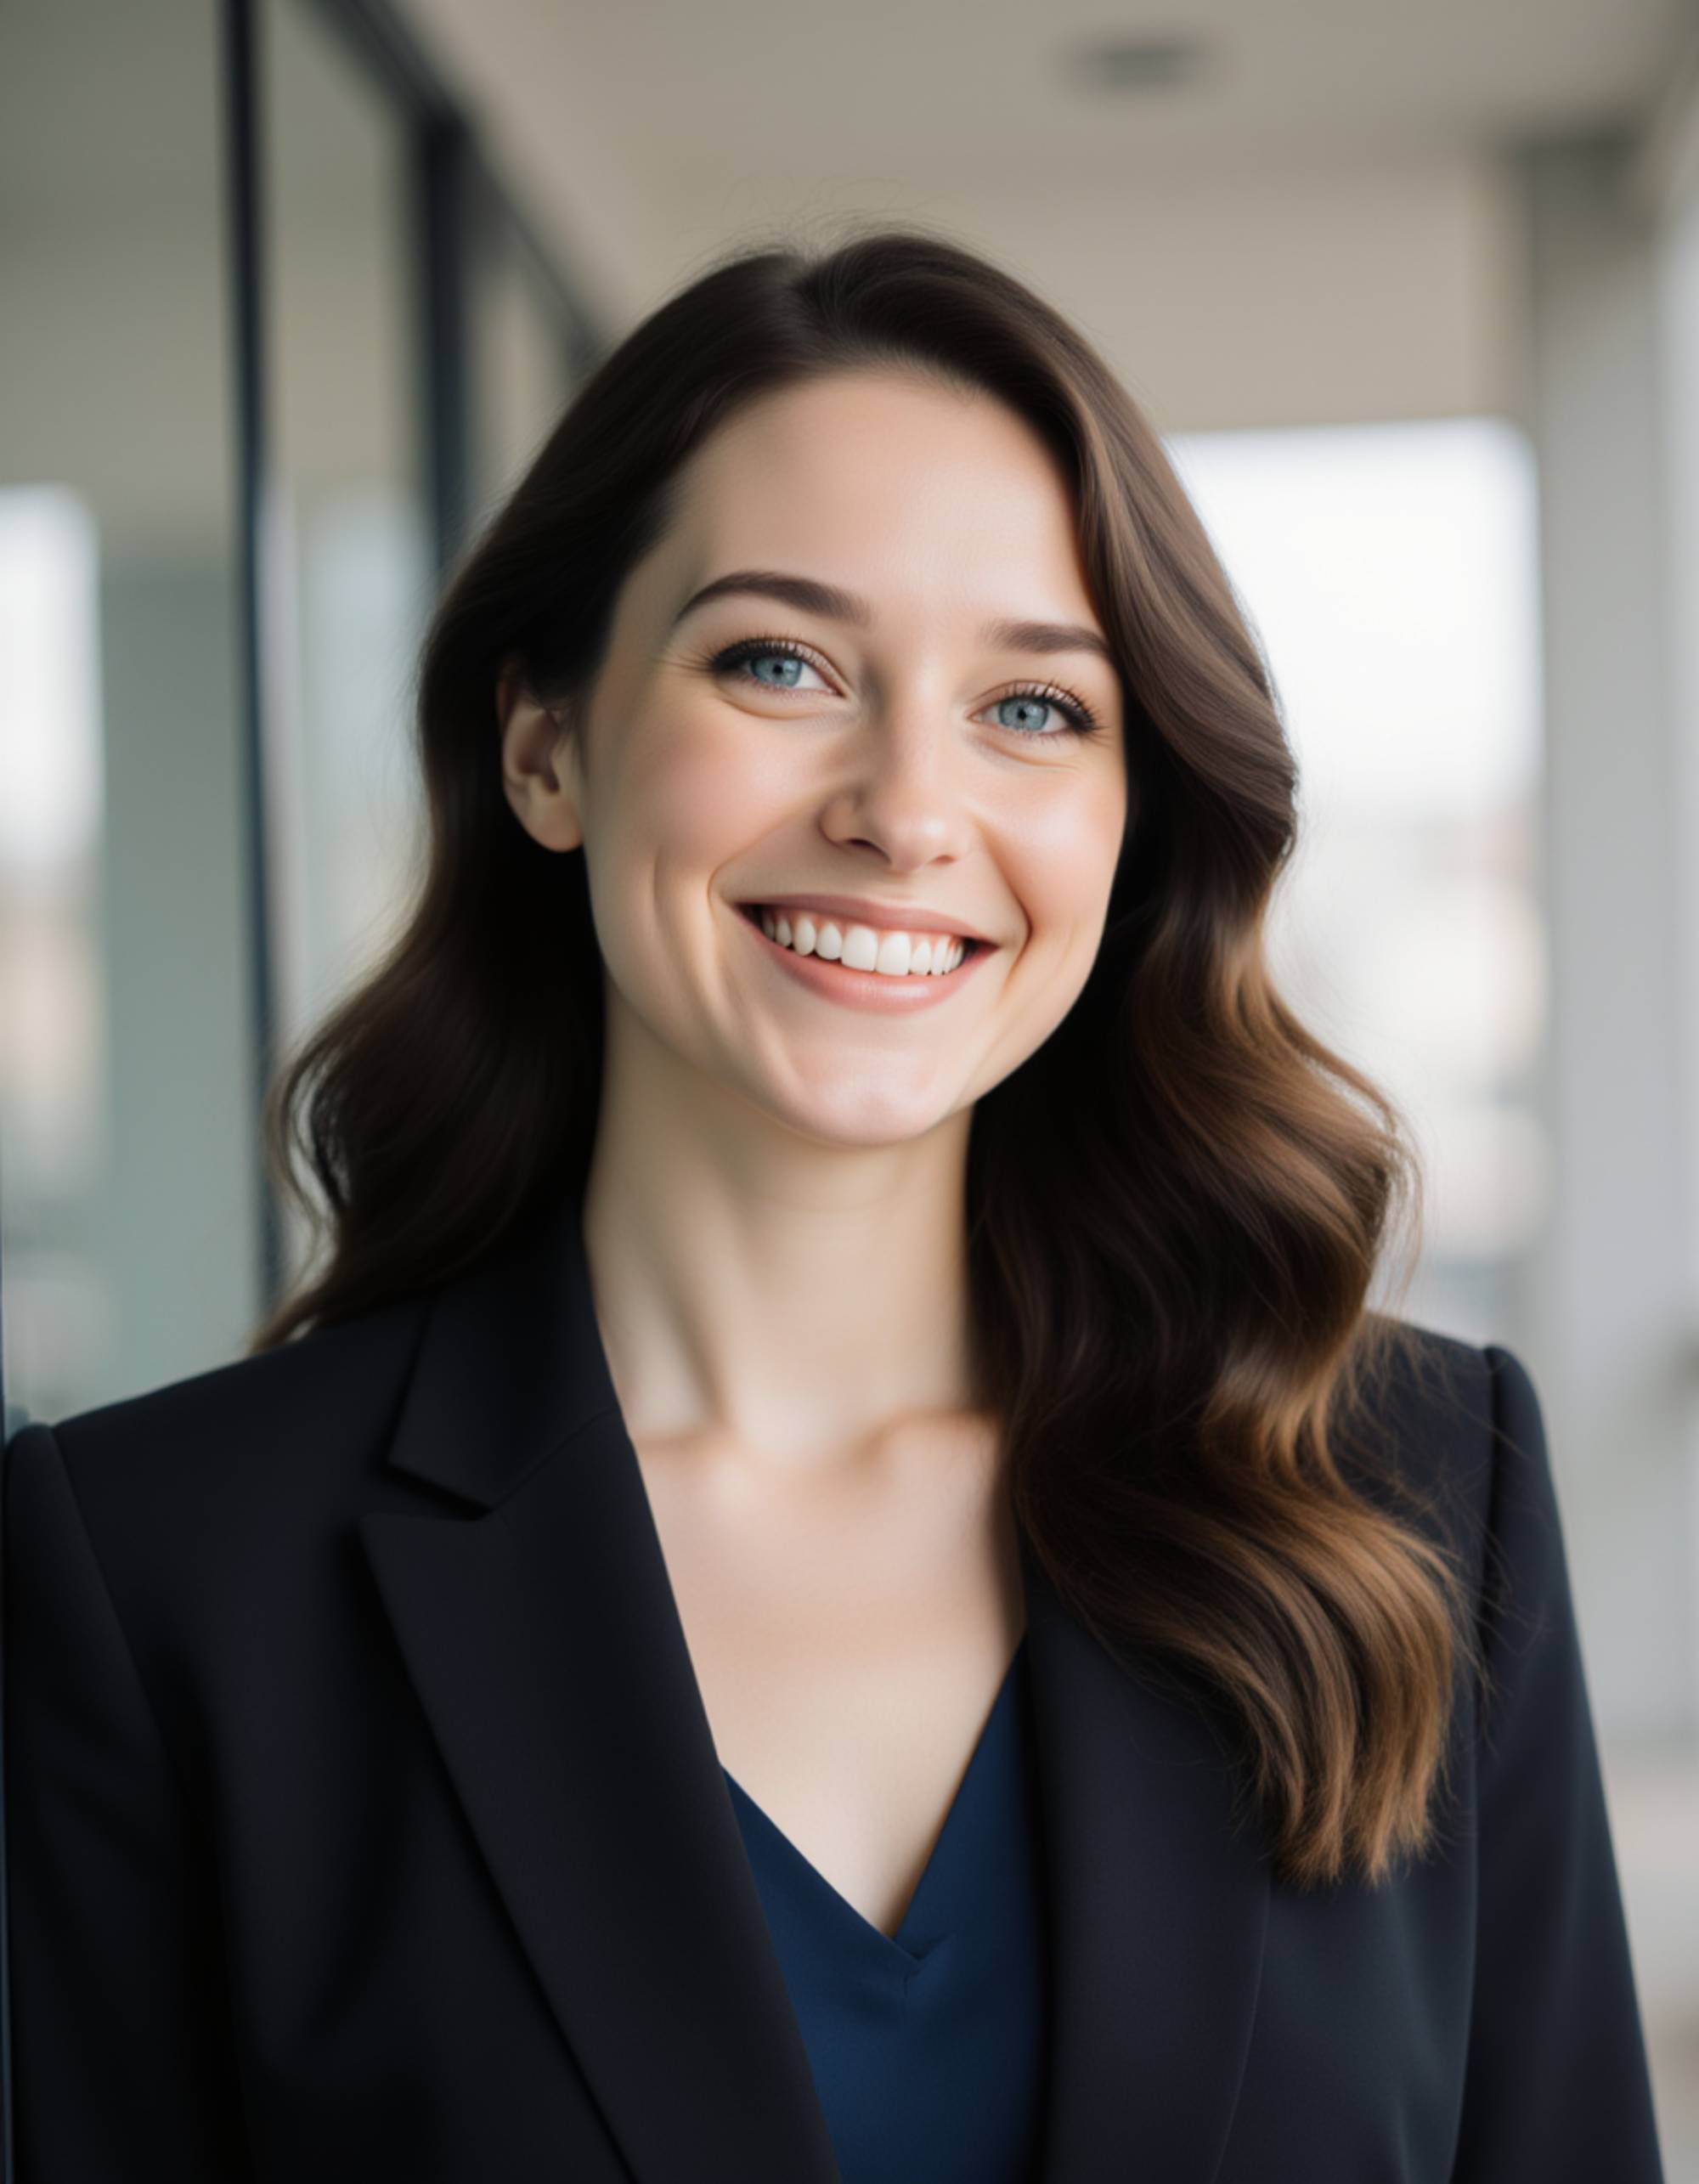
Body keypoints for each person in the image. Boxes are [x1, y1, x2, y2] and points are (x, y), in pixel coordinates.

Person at [1, 226, 1668, 2184]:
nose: (904, 804)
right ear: (547, 742)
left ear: (1132, 814)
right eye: (778, 661)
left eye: (1033, 707)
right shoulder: (164, 1578)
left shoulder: (1410, 1494)